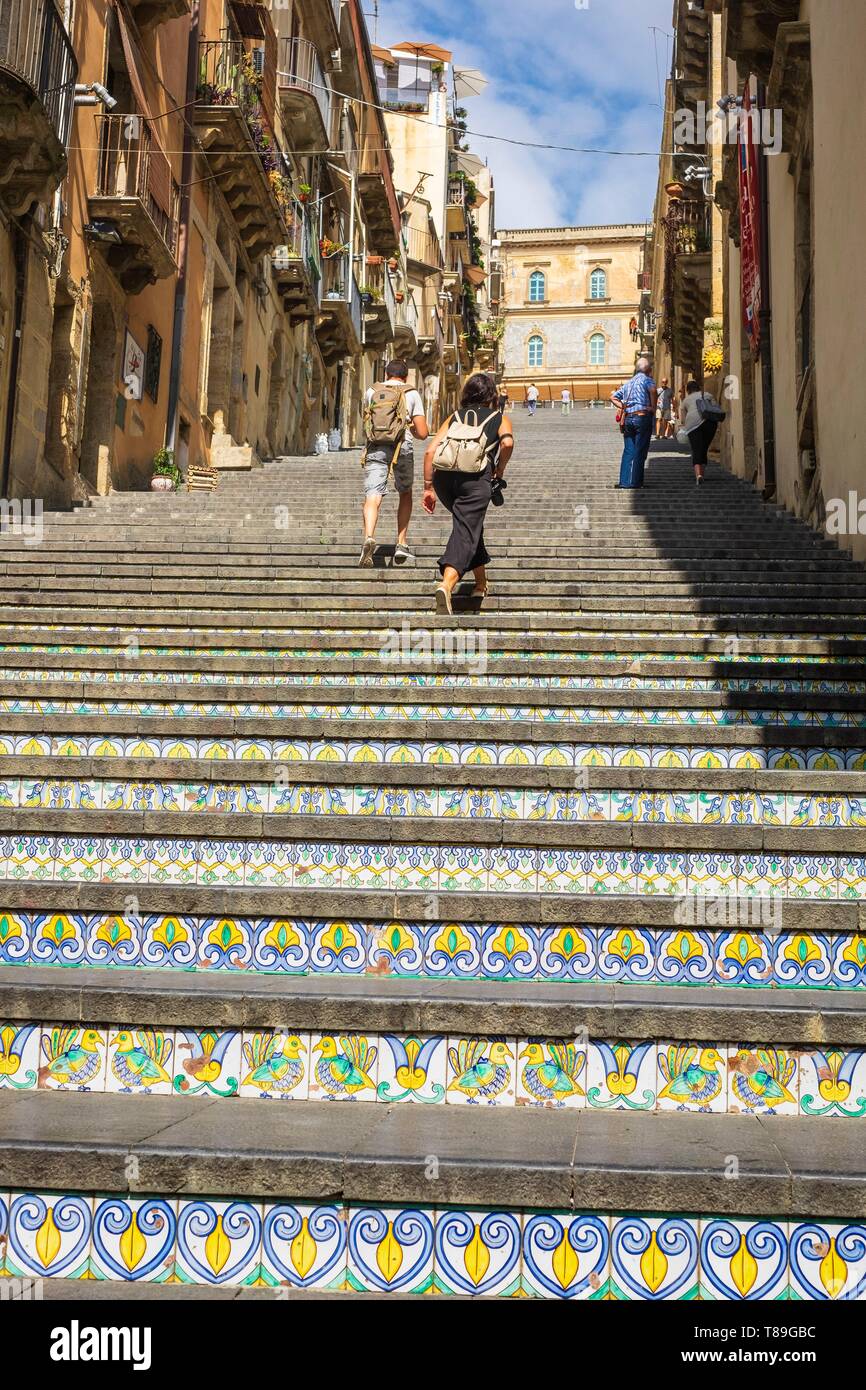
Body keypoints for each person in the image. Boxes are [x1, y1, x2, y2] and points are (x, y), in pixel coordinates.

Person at [422, 372, 514, 615]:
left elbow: (430, 452)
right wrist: (500, 470)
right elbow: (507, 444)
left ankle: (480, 584)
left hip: (444, 479)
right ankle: (447, 584)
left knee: (469, 525)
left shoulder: (454, 417)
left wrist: (428, 488)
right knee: (466, 528)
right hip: (475, 478)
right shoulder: (499, 418)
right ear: (492, 395)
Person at [360, 360, 429, 567]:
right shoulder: (412, 393)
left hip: (376, 445)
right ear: (405, 376)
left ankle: (369, 537)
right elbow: (423, 433)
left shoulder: (371, 391)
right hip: (402, 446)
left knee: (373, 494)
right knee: (405, 492)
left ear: (386, 373)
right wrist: (411, 428)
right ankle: (401, 543)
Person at [610, 357, 657, 489]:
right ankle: (636, 482)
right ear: (648, 369)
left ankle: (624, 482)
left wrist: (624, 407)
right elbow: (653, 391)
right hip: (642, 417)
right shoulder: (647, 380)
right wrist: (653, 407)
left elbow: (613, 397)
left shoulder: (628, 383)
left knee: (628, 451)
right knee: (640, 450)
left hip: (629, 418)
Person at [680, 378, 720, 485]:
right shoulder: (707, 395)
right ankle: (702, 473)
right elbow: (716, 408)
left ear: (688, 390)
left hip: (693, 426)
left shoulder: (686, 400)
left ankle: (699, 475)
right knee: (704, 449)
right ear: (698, 388)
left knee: (696, 449)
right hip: (710, 424)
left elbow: (683, 419)